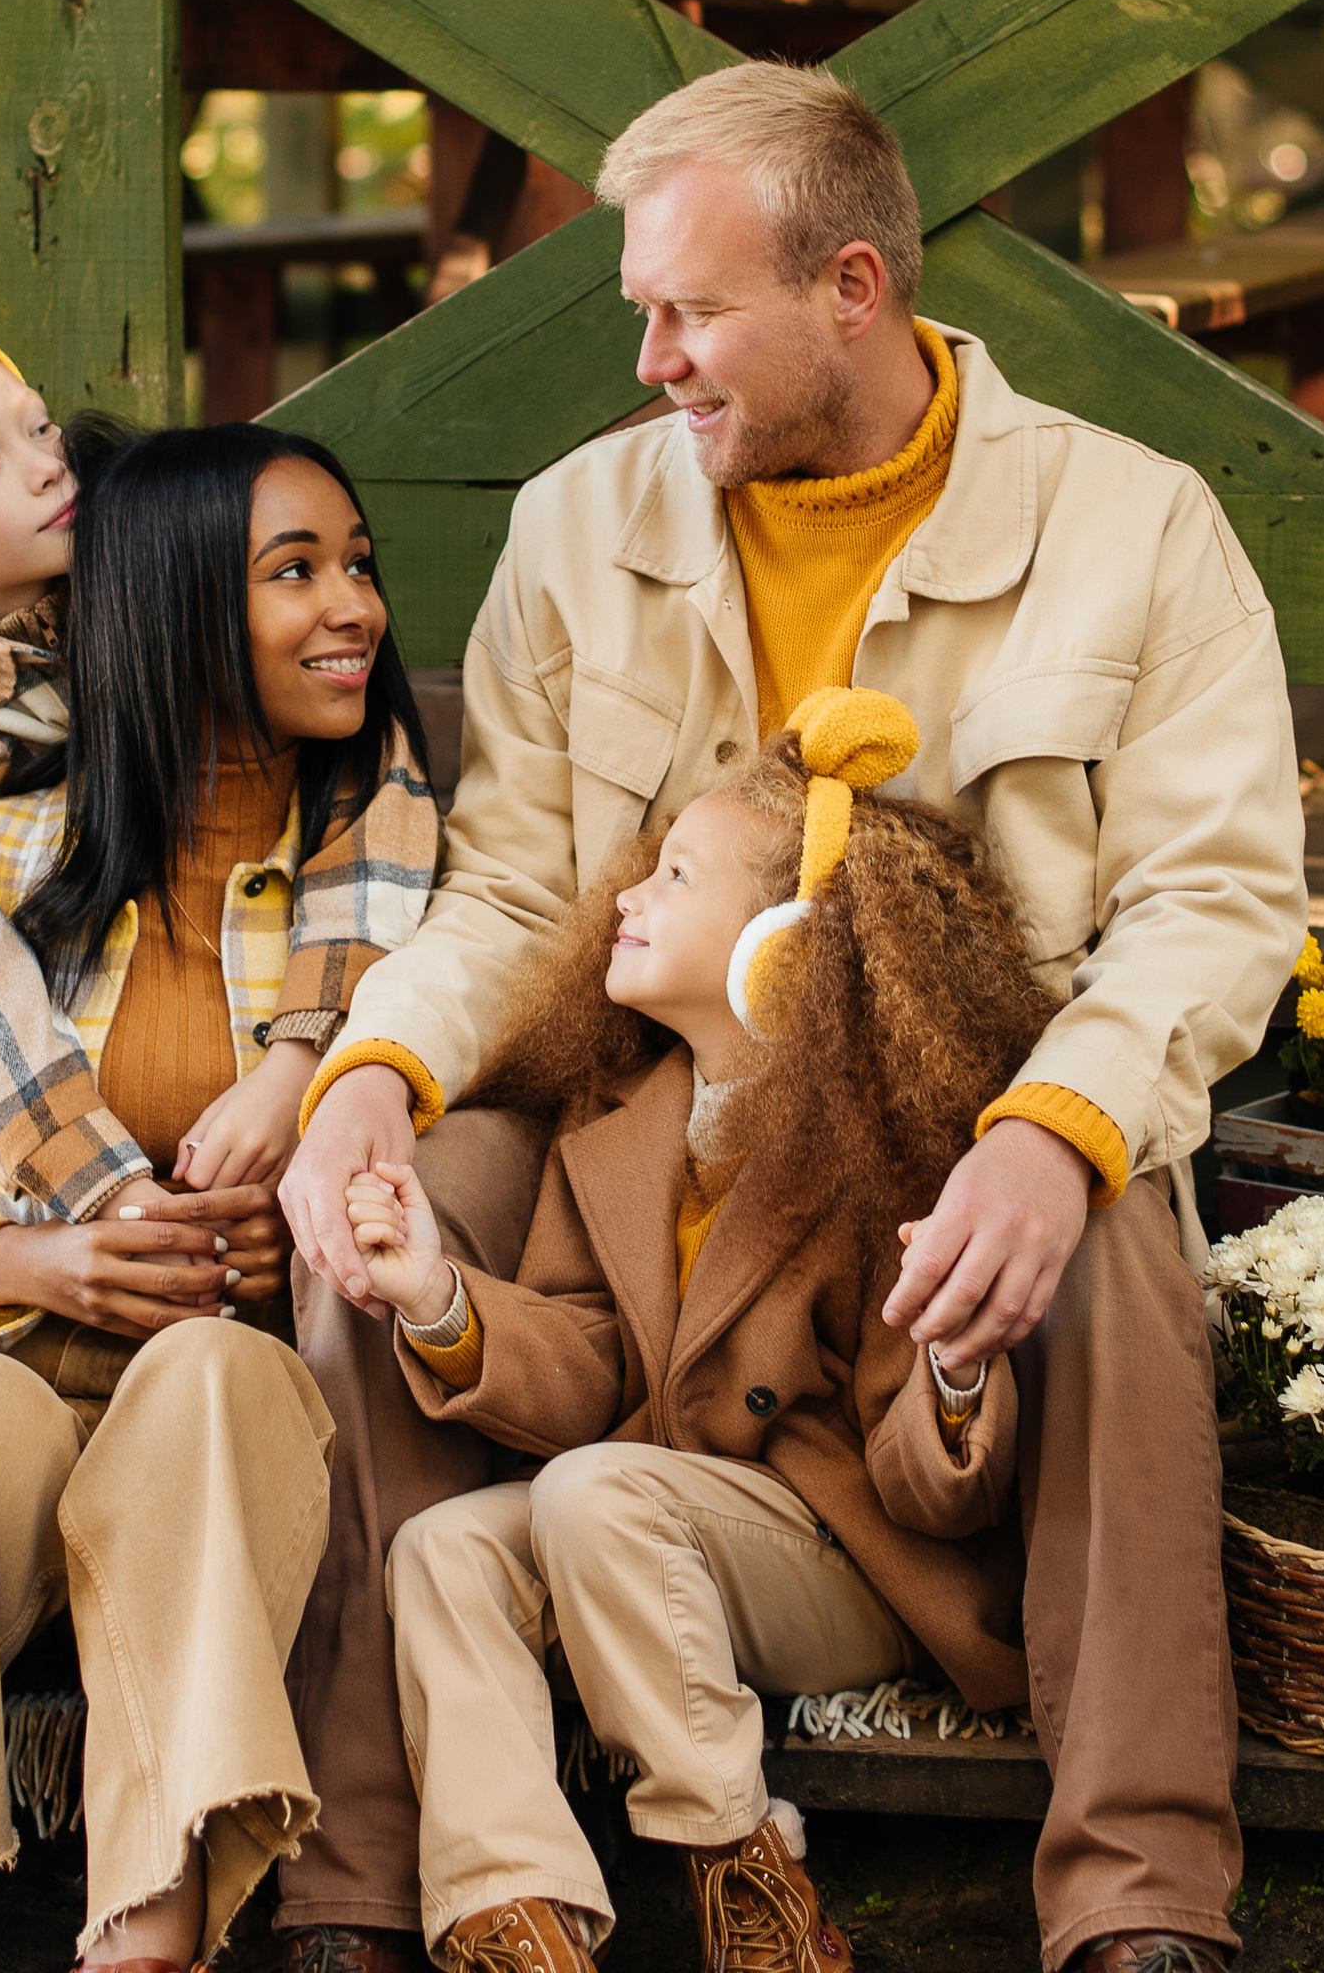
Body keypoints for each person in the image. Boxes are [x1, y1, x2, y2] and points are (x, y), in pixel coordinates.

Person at [275, 62, 1306, 1973]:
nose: (651, 359)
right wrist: (372, 1076)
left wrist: (1047, 1131)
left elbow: (1213, 907)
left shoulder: (1134, 529)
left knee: (1120, 1241)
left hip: (969, 1130)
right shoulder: (582, 530)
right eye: (639, 315)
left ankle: (1141, 1897)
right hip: (651, 1114)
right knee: (373, 1222)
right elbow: (512, 891)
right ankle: (366, 1888)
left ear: (852, 285)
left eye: (689, 310)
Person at [0, 424, 435, 1973]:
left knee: (215, 1382)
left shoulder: (387, 906)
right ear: (175, 611)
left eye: (359, 564)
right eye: (293, 573)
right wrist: (23, 1260)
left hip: (216, 1455)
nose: (354, 608)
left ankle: (143, 1934)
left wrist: (282, 1249)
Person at [350, 693, 1044, 1973]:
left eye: (677, 874)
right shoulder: (615, 1123)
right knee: (443, 1550)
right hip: (637, 1533)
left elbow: (928, 1490)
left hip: (838, 1560)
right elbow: (585, 1370)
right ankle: (518, 1918)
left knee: (597, 1492)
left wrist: (953, 1371)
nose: (629, 893)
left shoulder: (883, 1147)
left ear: (788, 943)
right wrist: (436, 1296)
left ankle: (751, 1884)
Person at [0, 329, 437, 1225]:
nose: (42, 470)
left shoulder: (99, 560)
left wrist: (302, 1055)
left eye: (38, 429)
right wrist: (94, 1185)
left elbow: (381, 791)